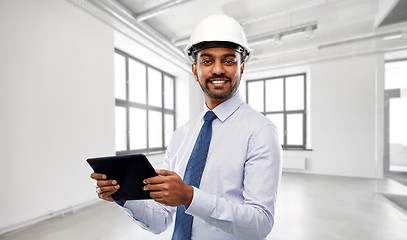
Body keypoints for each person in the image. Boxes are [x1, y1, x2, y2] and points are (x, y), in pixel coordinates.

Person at [91, 14, 282, 240]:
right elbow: (161, 221)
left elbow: (260, 224)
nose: (218, 69)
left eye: (229, 61)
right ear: (195, 70)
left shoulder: (260, 132)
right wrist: (123, 196)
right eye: (207, 61)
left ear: (242, 67)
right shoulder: (181, 135)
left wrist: (190, 197)